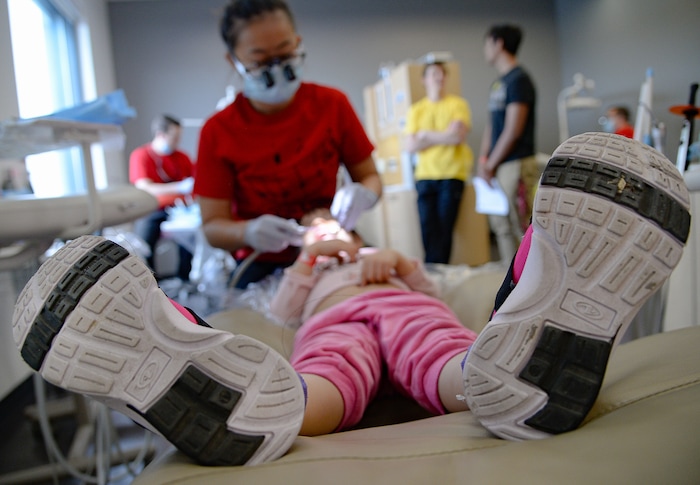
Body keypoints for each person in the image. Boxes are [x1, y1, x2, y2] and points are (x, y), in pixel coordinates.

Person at [13, 135, 691, 462]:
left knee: (444, 356)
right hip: (334, 323)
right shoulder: (310, 273)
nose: (328, 230)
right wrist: (311, 265)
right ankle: (252, 401)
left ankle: (499, 374)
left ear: (354, 224)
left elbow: (435, 290)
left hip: (406, 310)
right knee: (326, 383)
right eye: (317, 228)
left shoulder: (380, 255)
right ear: (303, 237)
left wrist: (394, 264)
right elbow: (281, 314)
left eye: (334, 224)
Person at [193, 0, 382, 289]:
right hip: (263, 262)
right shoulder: (218, 131)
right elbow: (212, 228)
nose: (277, 68)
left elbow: (370, 176)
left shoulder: (333, 105)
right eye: (260, 60)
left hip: (335, 246)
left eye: (285, 53)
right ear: (234, 61)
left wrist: (364, 193)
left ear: (297, 43)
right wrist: (248, 231)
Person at [478, 24, 539, 264]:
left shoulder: (519, 80)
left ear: (498, 43)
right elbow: (493, 125)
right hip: (497, 165)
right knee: (500, 226)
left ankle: (527, 282)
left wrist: (491, 163)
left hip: (515, 163)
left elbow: (513, 130)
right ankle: (506, 279)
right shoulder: (499, 83)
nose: (485, 49)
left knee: (519, 225)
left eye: (487, 43)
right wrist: (484, 160)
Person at [405, 61, 474, 264]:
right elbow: (410, 145)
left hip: (452, 175)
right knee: (428, 228)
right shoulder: (416, 110)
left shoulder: (457, 104)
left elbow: (456, 138)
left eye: (442, 73)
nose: (439, 77)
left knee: (444, 229)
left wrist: (425, 136)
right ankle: (432, 271)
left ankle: (438, 272)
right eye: (434, 73)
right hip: (425, 176)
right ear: (424, 80)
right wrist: (444, 135)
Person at [129, 114, 195, 281]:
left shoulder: (182, 157)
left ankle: (184, 281)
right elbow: (145, 187)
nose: (177, 142)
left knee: (190, 240)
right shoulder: (141, 155)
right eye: (174, 138)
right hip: (153, 209)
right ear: (160, 135)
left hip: (181, 209)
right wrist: (178, 187)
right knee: (144, 247)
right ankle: (151, 284)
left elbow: (195, 183)